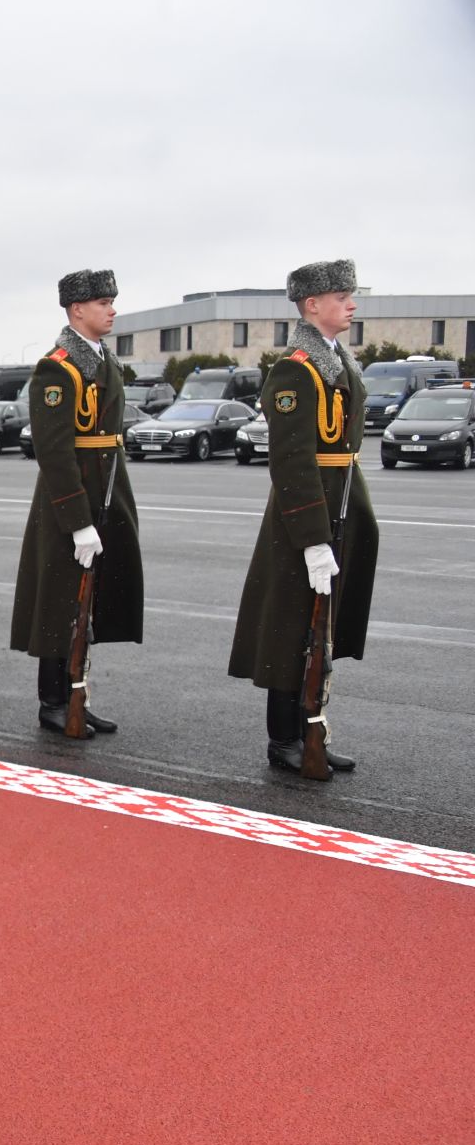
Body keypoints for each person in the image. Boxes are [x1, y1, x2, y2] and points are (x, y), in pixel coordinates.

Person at [228, 259, 378, 777]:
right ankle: (284, 740)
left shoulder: (337, 359)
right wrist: (313, 539)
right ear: (312, 305)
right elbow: (290, 461)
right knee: (291, 627)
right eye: (342, 297)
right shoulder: (296, 368)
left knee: (322, 629)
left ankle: (312, 726)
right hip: (305, 513)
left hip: (339, 501)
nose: (351, 305)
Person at [10, 269, 143, 736]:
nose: (111, 310)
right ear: (76, 310)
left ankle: (76, 693)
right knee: (61, 602)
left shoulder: (103, 360)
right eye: (103, 302)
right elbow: (54, 450)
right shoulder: (57, 367)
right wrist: (77, 519)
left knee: (90, 601)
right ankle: (53, 701)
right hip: (70, 501)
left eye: (112, 301)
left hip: (108, 490)